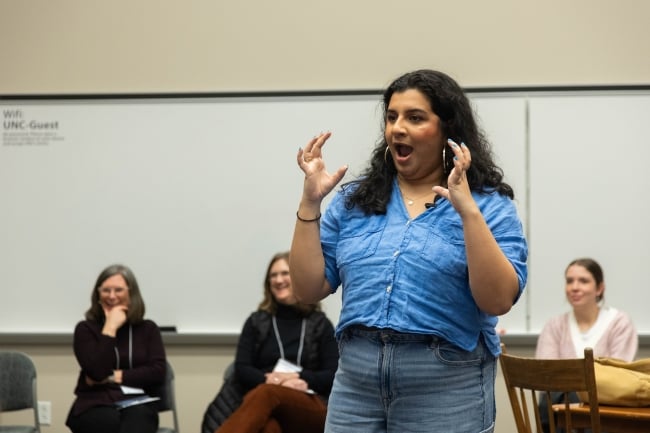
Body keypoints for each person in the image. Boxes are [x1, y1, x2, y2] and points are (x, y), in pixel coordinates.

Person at [289, 69, 528, 433]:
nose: (398, 127)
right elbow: (307, 290)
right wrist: (310, 202)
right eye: (392, 117)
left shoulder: (489, 205)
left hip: (446, 382)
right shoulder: (355, 201)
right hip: (356, 379)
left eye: (415, 118)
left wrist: (468, 214)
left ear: (448, 129)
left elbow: (497, 301)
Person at [203, 251, 339, 433]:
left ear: (298, 277)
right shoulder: (257, 322)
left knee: (267, 393)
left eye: (285, 273)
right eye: (273, 275)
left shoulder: (320, 324)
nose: (278, 280)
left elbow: (332, 374)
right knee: (269, 427)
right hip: (266, 399)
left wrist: (299, 378)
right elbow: (242, 368)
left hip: (310, 403)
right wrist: (272, 379)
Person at [535, 257, 638, 433]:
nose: (574, 287)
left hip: (606, 415)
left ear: (599, 288)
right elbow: (546, 375)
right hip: (562, 415)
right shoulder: (554, 325)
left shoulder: (619, 322)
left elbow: (615, 376)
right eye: (569, 281)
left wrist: (570, 383)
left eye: (583, 281)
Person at [66, 264, 166, 433]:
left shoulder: (148, 329)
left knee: (137, 422)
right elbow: (97, 372)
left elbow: (157, 372)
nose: (111, 296)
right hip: (94, 403)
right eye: (106, 290)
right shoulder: (85, 329)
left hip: (137, 401)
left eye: (118, 290)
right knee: (109, 424)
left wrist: (113, 376)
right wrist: (110, 327)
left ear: (131, 293)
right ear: (98, 294)